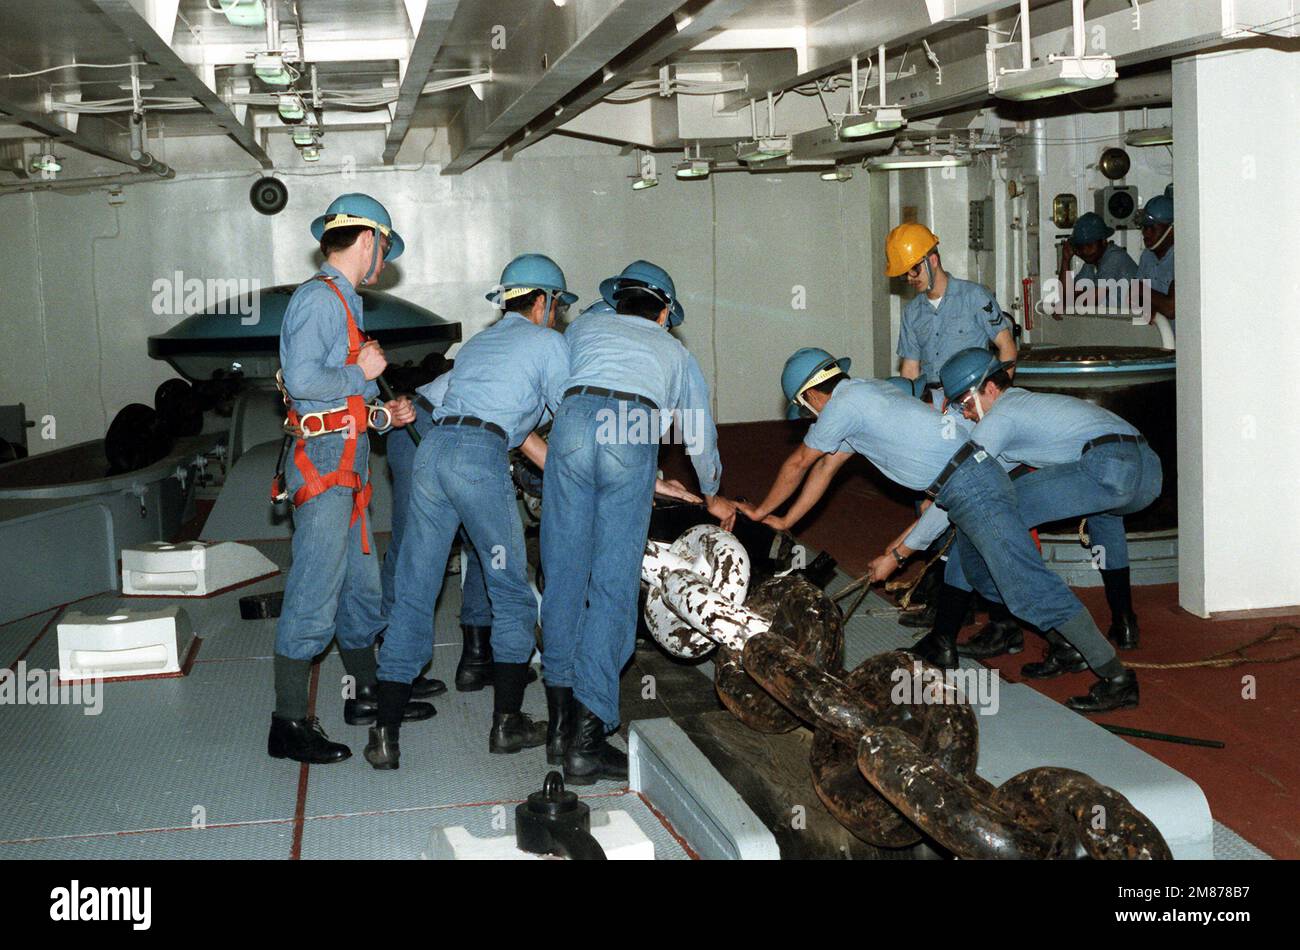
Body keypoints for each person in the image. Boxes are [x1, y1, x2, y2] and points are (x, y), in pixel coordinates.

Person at [740, 346, 1136, 714]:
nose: (810, 417)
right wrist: (786, 521)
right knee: (977, 572)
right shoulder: (863, 398)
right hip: (963, 483)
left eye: (805, 408)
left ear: (812, 396)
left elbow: (799, 464)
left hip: (970, 484)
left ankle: (1117, 677)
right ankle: (1062, 643)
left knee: (1027, 585)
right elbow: (825, 467)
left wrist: (759, 513)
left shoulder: (845, 405)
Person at [365, 254, 573, 769]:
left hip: (433, 453)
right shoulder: (549, 343)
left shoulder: (480, 345)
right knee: (510, 591)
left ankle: (384, 734)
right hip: (479, 459)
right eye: (557, 307)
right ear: (544, 302)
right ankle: (507, 723)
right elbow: (570, 422)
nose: (557, 317)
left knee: (415, 590)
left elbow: (510, 429)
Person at [871, 348, 1154, 712]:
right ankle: (1071, 640)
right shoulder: (1023, 411)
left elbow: (962, 491)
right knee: (978, 537)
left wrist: (899, 553)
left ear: (988, 388)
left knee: (1015, 568)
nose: (966, 414)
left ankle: (1116, 677)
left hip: (1110, 465)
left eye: (967, 404)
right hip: (1144, 469)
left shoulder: (1000, 419)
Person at [541, 260, 731, 785]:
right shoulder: (676, 351)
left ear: (616, 301)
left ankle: (557, 726)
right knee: (612, 588)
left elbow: (555, 391)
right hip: (633, 425)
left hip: (573, 425)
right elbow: (698, 434)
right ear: (665, 311)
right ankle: (587, 738)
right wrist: (711, 493)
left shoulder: (583, 327)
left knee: (562, 577)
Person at [268, 193, 428, 765]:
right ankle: (287, 722)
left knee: (361, 588)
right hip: (324, 465)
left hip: (348, 462)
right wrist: (359, 370)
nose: (383, 258)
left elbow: (345, 402)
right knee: (315, 587)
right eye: (383, 247)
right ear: (369, 240)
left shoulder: (344, 301)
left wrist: (386, 413)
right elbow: (307, 383)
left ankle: (368, 693)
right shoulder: (320, 300)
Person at [382, 391, 498, 694]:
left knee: (480, 542)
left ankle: (475, 659)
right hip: (425, 424)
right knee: (417, 546)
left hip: (423, 424)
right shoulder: (549, 366)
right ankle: (399, 671)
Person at [886, 222, 1017, 405]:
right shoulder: (912, 313)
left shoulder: (974, 296)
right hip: (931, 401)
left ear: (932, 260)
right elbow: (910, 369)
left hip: (971, 399)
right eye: (904, 274)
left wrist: (996, 399)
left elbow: (1007, 347)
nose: (910, 278)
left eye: (914, 269)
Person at [1056, 211, 1138, 316]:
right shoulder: (1090, 263)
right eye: (1081, 246)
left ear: (1103, 241)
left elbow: (1092, 299)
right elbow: (1067, 296)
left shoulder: (1114, 257)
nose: (1085, 251)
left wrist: (1066, 304)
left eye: (1090, 245)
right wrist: (1065, 260)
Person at [1137, 194, 1175, 321]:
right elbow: (1134, 297)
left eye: (1152, 228)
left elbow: (1171, 309)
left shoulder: (1180, 259)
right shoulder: (1147, 256)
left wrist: (1142, 290)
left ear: (1171, 230)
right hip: (1156, 338)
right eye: (1144, 227)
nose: (1145, 232)